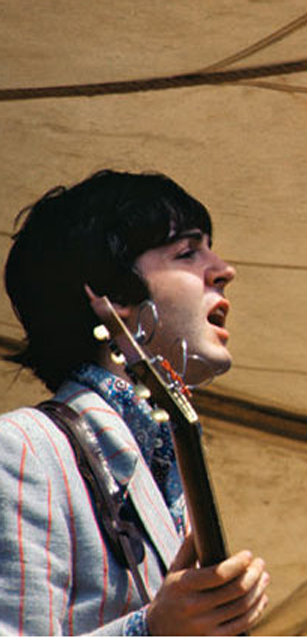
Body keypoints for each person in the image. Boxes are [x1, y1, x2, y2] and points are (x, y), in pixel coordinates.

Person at [0, 170, 270, 635]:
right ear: (111, 295)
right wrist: (152, 630)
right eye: (187, 252)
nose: (225, 270)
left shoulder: (168, 468)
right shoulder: (24, 447)